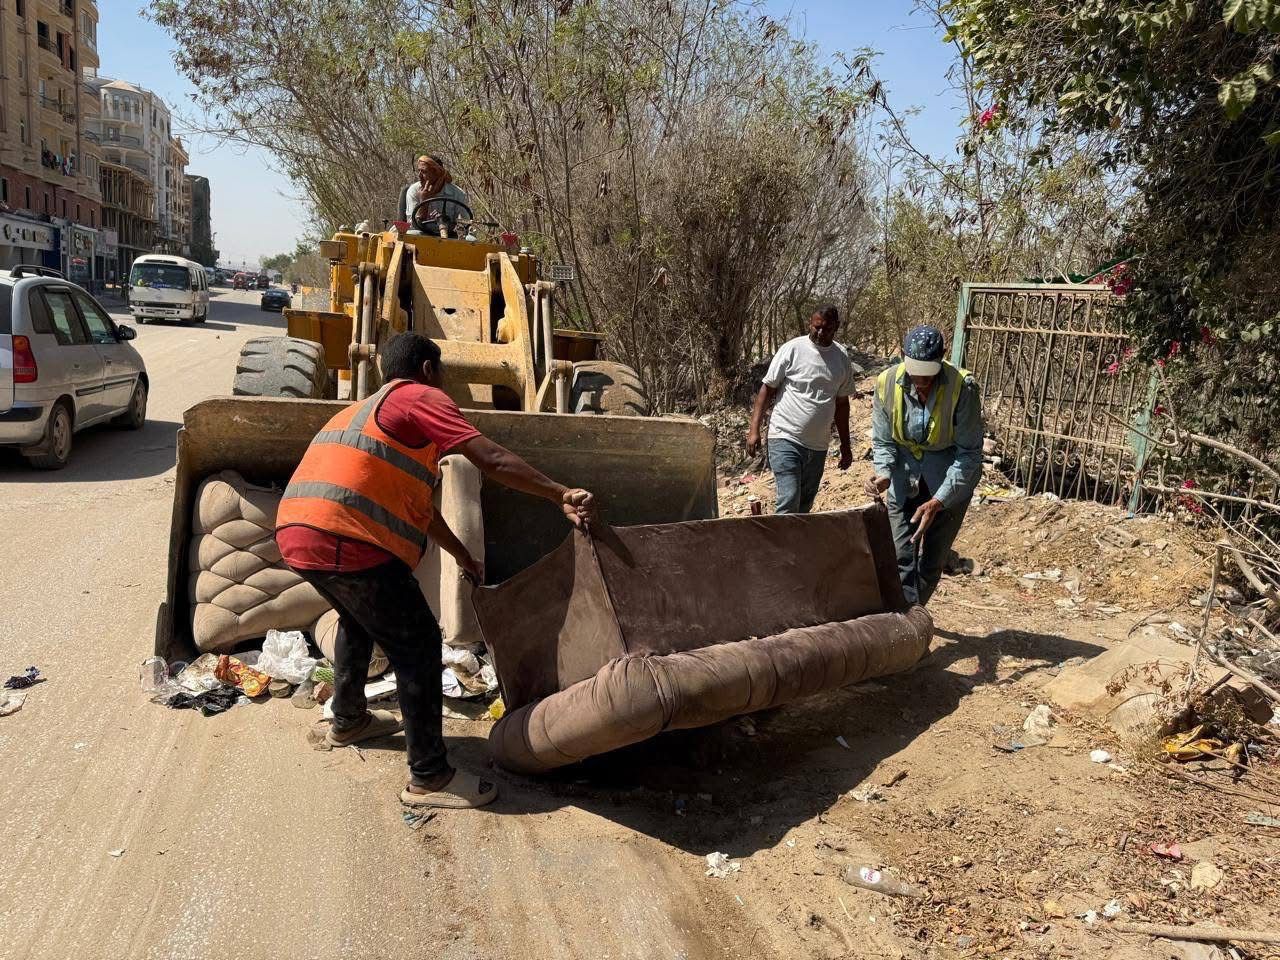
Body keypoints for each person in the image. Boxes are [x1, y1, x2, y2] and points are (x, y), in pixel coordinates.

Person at [275, 331, 597, 810]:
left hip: (298, 533)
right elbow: (491, 458)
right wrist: (559, 494)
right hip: (347, 537)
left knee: (357, 623)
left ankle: (348, 720)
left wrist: (463, 555)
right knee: (419, 645)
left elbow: (421, 509)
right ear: (428, 369)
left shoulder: (360, 413)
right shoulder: (419, 397)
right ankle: (429, 776)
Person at [863, 324, 983, 605]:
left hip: (949, 481)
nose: (921, 381)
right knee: (900, 556)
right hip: (903, 478)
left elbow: (969, 455)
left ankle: (913, 616)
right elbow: (883, 441)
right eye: (915, 372)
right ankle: (902, 619)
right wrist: (883, 474)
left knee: (931, 561)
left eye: (928, 374)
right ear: (904, 357)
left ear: (942, 358)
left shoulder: (962, 388)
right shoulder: (886, 383)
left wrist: (938, 501)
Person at [746, 306, 855, 513]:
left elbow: (842, 405)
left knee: (804, 506)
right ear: (810, 323)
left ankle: (793, 536)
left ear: (837, 327)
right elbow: (767, 390)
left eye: (827, 329)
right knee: (790, 498)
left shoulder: (841, 358)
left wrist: (845, 445)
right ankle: (782, 535)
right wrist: (754, 430)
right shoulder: (793, 349)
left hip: (818, 446)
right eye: (817, 327)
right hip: (785, 436)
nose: (820, 333)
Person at [399, 154, 470, 227]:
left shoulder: (457, 193)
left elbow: (465, 224)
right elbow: (412, 226)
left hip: (449, 233)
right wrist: (423, 203)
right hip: (420, 233)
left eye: (424, 172)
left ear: (437, 173)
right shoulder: (414, 190)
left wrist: (445, 222)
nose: (419, 176)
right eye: (419, 171)